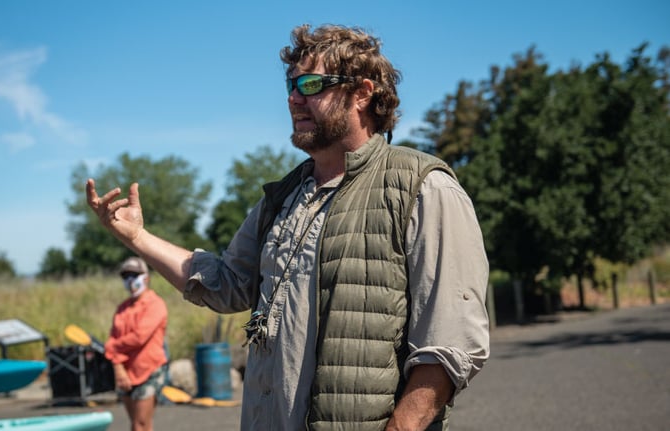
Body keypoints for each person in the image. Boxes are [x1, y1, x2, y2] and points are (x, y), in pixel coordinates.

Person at [87, 24, 490, 431]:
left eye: (311, 84)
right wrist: (136, 237)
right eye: (291, 85)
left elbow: (450, 341)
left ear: (362, 93)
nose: (293, 98)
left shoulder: (421, 186)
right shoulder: (281, 197)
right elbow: (225, 283)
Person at [105, 257, 168, 431]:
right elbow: (112, 337)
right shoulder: (122, 308)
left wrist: (112, 347)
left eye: (134, 275)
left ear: (146, 277)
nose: (130, 280)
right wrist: (118, 367)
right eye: (126, 276)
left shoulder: (155, 304)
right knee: (135, 424)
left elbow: (139, 337)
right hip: (125, 373)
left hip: (148, 370)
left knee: (141, 424)